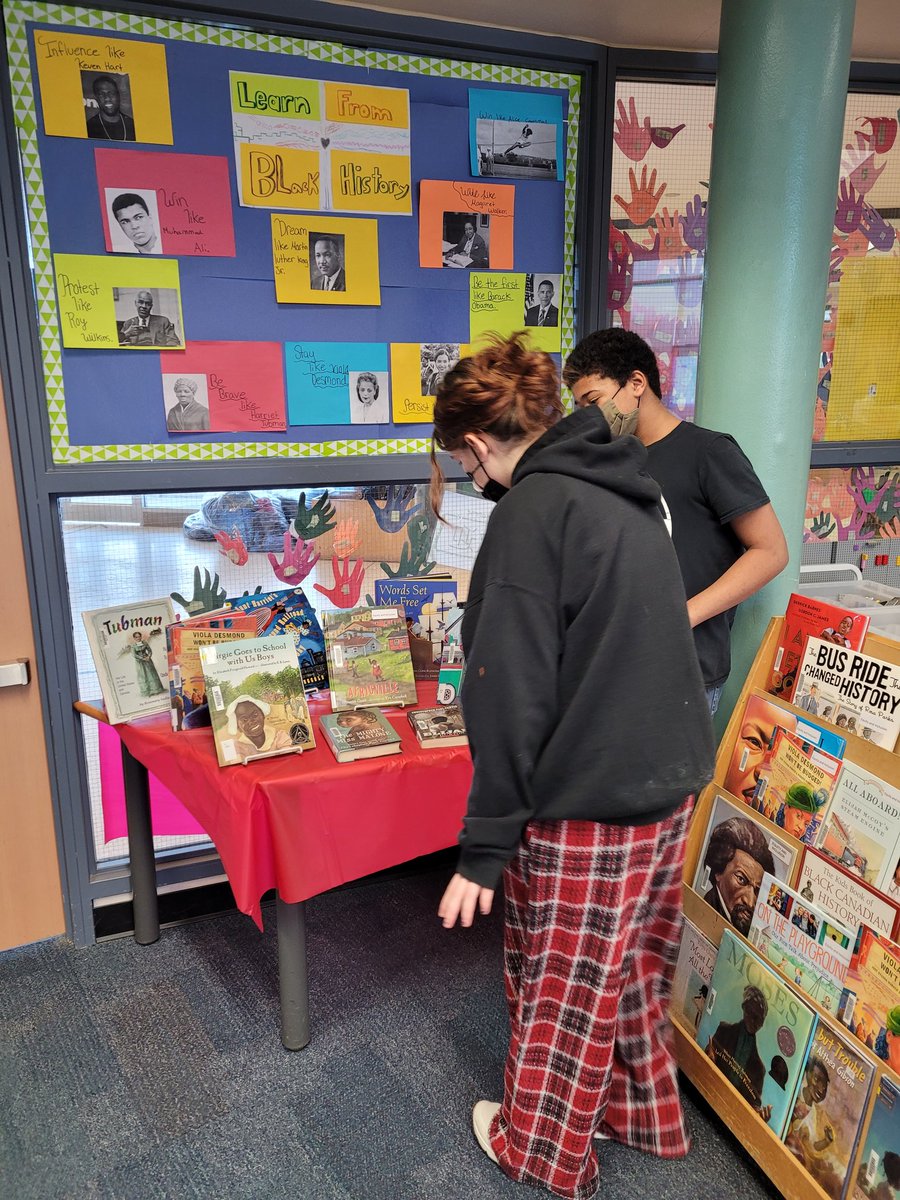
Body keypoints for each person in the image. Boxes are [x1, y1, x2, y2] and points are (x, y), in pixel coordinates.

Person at [431, 333, 715, 1199]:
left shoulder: (532, 514)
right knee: (624, 962)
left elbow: (508, 690)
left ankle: (543, 1150)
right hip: (670, 774)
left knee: (560, 976)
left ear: (477, 446)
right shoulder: (630, 483)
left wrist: (484, 848)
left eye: (462, 461)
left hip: (595, 791)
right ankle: (643, 1118)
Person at [563, 328, 788, 714]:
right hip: (615, 666)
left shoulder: (708, 452)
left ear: (636, 383)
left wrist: (684, 616)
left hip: (684, 671)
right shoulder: (609, 461)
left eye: (593, 400)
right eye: (579, 407)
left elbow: (771, 551)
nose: (587, 417)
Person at [701, 815, 775, 935]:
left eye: (757, 890)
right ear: (718, 871)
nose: (750, 902)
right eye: (741, 879)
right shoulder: (705, 909)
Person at [706, 985, 771, 1116]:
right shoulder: (723, 1030)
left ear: (762, 1023)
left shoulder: (759, 1069)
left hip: (731, 1115)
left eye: (758, 1018)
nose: (753, 1021)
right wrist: (707, 1058)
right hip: (708, 1094)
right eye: (751, 1013)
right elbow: (710, 1052)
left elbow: (754, 1106)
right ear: (744, 1008)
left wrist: (758, 1116)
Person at [225, 696, 293, 760]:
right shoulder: (237, 747)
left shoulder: (279, 736)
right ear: (238, 727)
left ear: (263, 715)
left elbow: (289, 758)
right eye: (244, 720)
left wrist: (256, 754)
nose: (251, 721)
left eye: (255, 715)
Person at [85, 73, 135, 141]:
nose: (107, 98)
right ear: (96, 98)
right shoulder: (89, 127)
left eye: (111, 93)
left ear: (118, 95)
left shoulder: (132, 125)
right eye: (101, 94)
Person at [127, 630, 165, 697]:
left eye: (139, 636)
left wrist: (148, 656)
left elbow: (150, 650)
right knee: (143, 675)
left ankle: (156, 690)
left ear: (141, 637)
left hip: (148, 661)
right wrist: (142, 658)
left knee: (152, 674)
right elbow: (134, 655)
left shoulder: (145, 643)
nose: (138, 638)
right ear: (134, 638)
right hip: (140, 663)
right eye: (136, 637)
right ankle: (147, 692)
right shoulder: (133, 646)